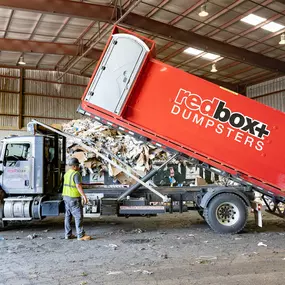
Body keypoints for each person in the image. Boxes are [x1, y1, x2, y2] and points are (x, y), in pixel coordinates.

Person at [62, 157, 91, 241]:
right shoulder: (76, 174)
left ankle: (68, 234)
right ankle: (80, 235)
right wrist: (84, 196)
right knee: (78, 216)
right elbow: (78, 186)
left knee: (68, 216)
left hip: (66, 197)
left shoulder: (67, 173)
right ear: (74, 166)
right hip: (73, 198)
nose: (79, 167)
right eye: (77, 165)